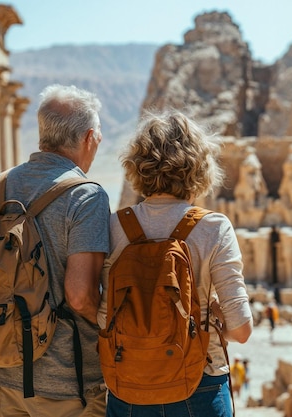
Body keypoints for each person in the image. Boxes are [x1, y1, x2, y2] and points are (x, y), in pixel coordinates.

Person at [98, 109, 253, 417]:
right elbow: (242, 330)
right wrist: (217, 314)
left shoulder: (114, 227)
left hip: (128, 382)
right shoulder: (213, 228)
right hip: (201, 384)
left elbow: (99, 311)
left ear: (138, 166)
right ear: (198, 167)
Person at [0, 84, 110, 417]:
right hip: (68, 382)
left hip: (0, 371)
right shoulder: (87, 196)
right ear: (89, 137)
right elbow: (80, 296)